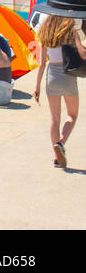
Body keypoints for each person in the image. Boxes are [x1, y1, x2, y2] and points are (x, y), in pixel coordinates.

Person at [33, 15, 86, 168]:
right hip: (67, 75)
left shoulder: (44, 32)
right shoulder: (69, 31)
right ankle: (61, 143)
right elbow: (82, 54)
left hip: (52, 76)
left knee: (54, 119)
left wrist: (37, 87)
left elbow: (42, 64)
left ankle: (57, 157)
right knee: (72, 115)